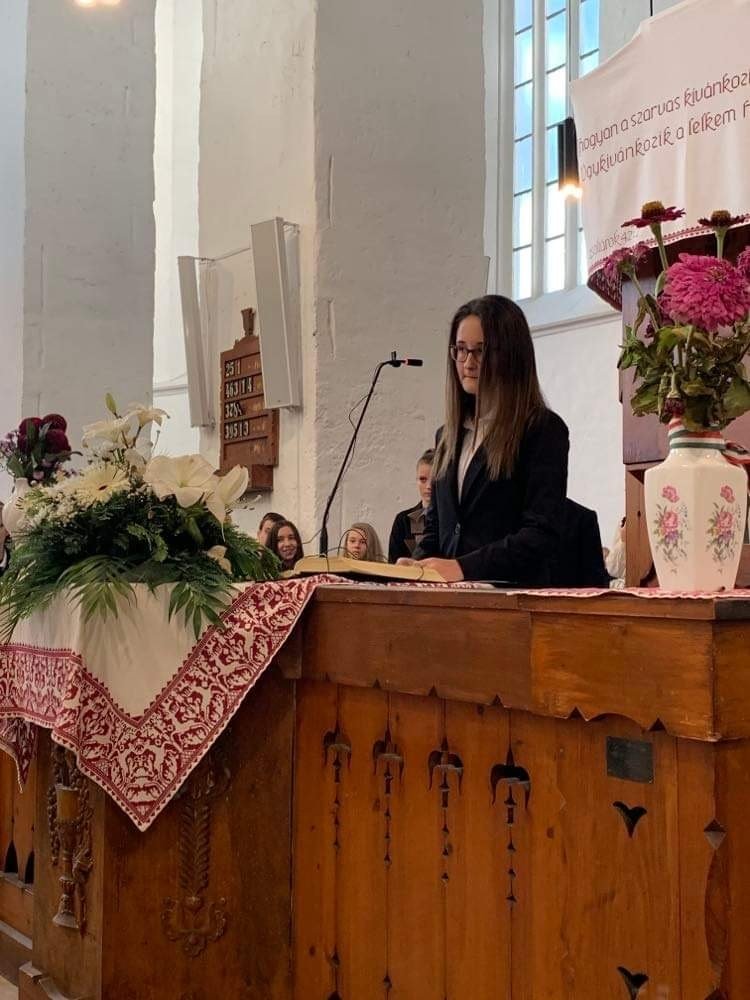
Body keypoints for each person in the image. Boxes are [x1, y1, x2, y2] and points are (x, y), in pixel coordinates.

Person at [403, 294, 569, 584]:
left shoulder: (542, 430)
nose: (468, 362)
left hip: (509, 596)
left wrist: (463, 567)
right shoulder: (446, 436)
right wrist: (416, 565)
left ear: (510, 356)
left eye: (481, 351)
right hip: (448, 599)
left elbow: (540, 534)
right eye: (461, 349)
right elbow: (436, 528)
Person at [388, 449, 434, 562]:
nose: (429, 486)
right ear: (416, 480)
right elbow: (393, 564)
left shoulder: (452, 521)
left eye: (434, 480)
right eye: (423, 479)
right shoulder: (403, 521)